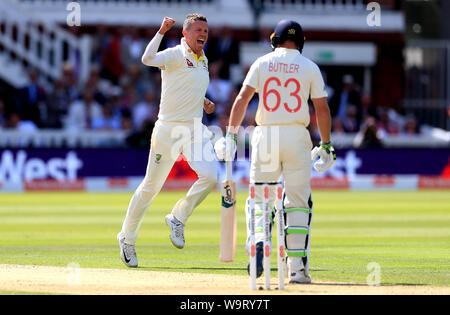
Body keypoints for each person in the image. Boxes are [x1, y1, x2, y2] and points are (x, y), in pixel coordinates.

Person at [215, 20, 336, 284]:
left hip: (265, 135)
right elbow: (322, 109)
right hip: (297, 137)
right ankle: (297, 270)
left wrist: (232, 136)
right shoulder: (309, 67)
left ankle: (258, 241)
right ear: (301, 41)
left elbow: (241, 100)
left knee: (261, 198)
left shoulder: (262, 62)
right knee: (297, 203)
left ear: (274, 39)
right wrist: (326, 144)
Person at [117, 15, 217, 268]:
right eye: (198, 30)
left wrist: (202, 101)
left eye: (205, 30)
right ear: (185, 33)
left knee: (211, 176)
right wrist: (161, 31)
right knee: (150, 189)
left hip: (194, 130)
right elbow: (147, 59)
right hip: (168, 131)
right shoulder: (174, 54)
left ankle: (178, 217)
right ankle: (127, 238)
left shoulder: (203, 59)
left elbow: (189, 85)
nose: (203, 34)